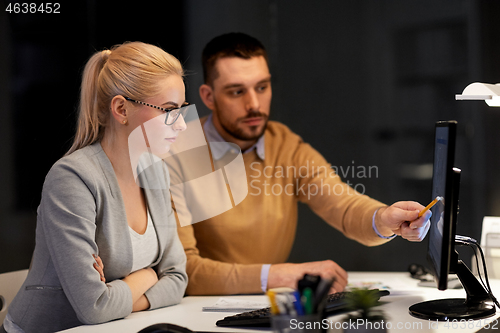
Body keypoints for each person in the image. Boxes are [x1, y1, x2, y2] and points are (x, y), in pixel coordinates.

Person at [174, 33, 431, 296]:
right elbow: (182, 272)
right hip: (196, 310)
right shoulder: (175, 153)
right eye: (237, 91)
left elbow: (342, 204)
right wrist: (281, 274)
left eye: (262, 87)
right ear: (208, 96)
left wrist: (384, 218)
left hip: (267, 304)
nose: (253, 104)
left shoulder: (283, 143)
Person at [2, 42, 189, 333]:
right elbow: (94, 307)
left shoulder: (156, 173)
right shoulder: (71, 179)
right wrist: (148, 276)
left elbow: (178, 279)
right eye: (168, 110)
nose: (182, 125)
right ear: (121, 109)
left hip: (120, 326)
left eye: (182, 110)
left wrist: (123, 293)